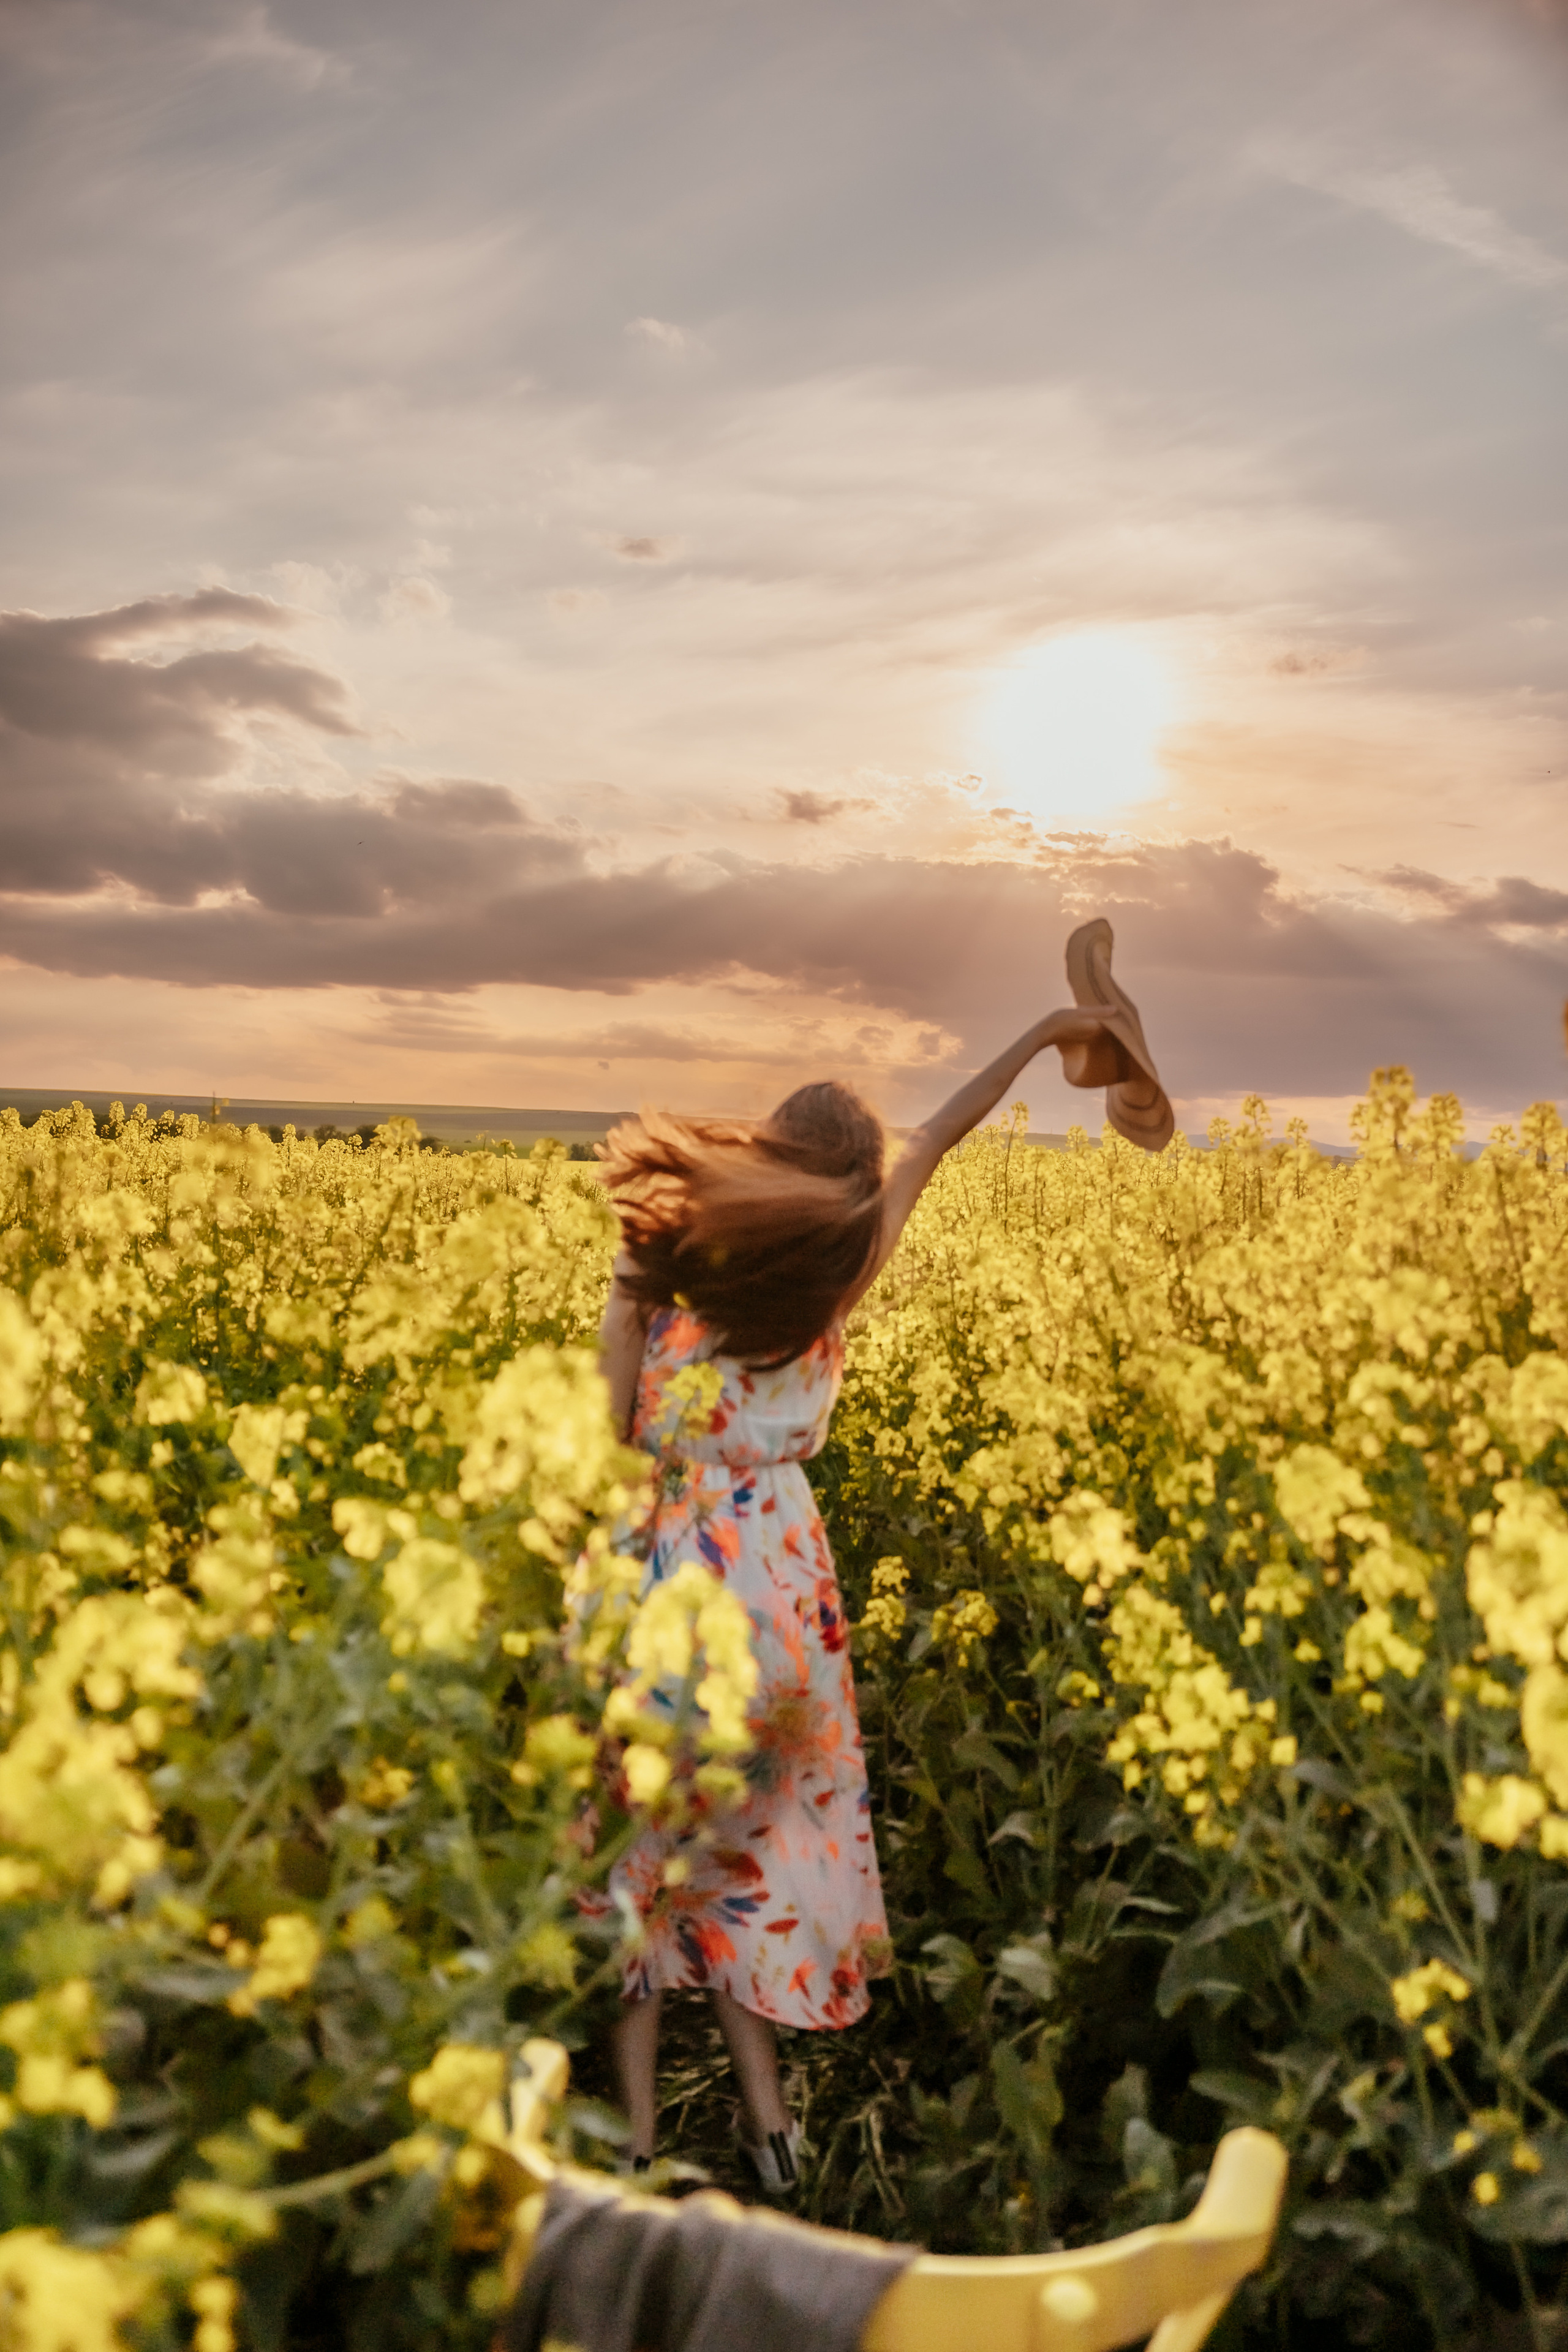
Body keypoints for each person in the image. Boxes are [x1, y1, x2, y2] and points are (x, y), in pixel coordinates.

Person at [592, 924, 1170, 2190]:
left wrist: (628, 1332)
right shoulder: (838, 1277)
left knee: (640, 1858)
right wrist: (1047, 1032)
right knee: (744, 1859)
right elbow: (941, 1134)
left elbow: (608, 1435)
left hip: (662, 1580)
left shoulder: (667, 1279)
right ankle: (774, 2135)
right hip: (775, 1589)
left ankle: (632, 2144)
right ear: (847, 1182)